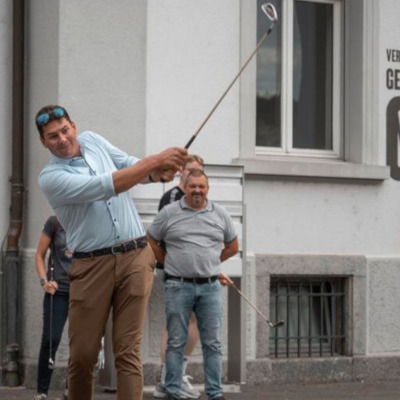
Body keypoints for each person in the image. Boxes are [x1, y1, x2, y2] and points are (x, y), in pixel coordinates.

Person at [36, 105, 187, 400]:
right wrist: (156, 160)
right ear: (43, 142)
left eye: (65, 130)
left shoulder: (92, 140)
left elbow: (130, 165)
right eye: (52, 136)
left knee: (127, 350)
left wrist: (157, 173)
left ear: (74, 126)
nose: (62, 139)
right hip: (92, 265)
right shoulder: (50, 178)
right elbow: (107, 185)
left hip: (135, 254)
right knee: (83, 355)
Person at [147, 169, 239, 400]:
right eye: (192, 186)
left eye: (201, 186)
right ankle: (173, 391)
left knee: (213, 344)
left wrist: (210, 262)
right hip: (178, 286)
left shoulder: (220, 214)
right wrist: (167, 261)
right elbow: (150, 240)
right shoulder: (169, 213)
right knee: (176, 342)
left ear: (208, 188)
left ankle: (215, 394)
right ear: (184, 188)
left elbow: (232, 246)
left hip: (210, 288)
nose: (197, 190)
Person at [153, 155, 204, 400]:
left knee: (190, 322)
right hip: (176, 271)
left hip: (196, 271)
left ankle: (174, 376)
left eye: (200, 172)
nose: (195, 176)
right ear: (181, 172)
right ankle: (168, 378)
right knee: (177, 323)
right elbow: (169, 235)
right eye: (191, 171)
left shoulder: (198, 199)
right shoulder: (173, 197)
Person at [33, 216, 72, 400]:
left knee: (80, 346)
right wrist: (44, 282)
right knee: (50, 340)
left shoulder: (89, 221)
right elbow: (39, 255)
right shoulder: (55, 222)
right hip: (58, 292)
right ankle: (42, 392)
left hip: (82, 293)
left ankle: (70, 391)